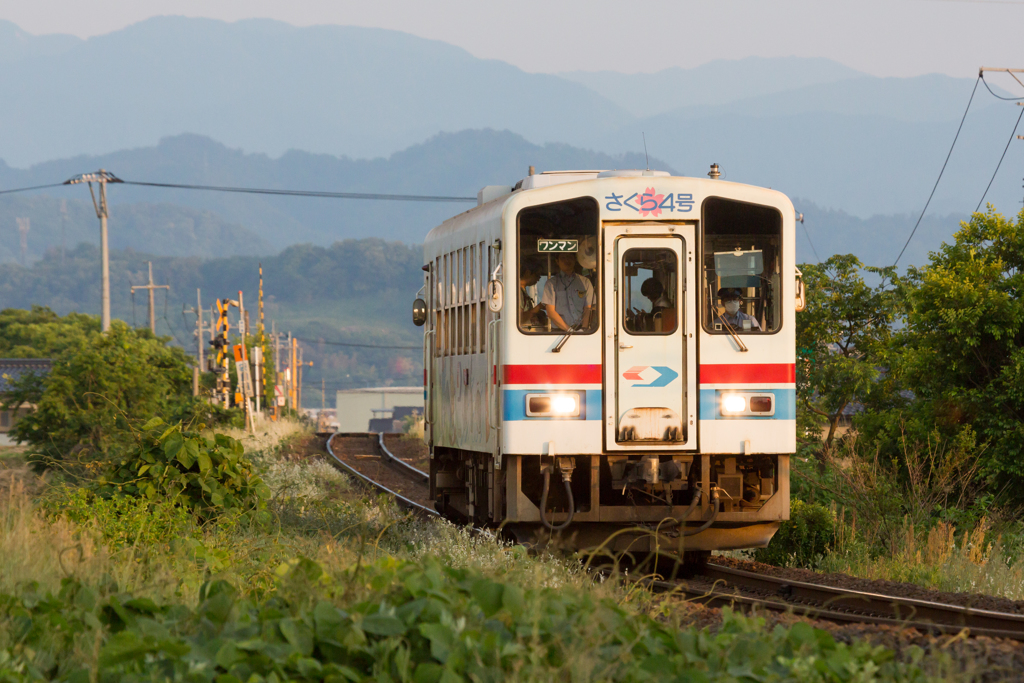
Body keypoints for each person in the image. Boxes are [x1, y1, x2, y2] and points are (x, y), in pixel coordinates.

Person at [542, 252, 594, 331]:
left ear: (575, 260)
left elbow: (588, 308)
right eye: (563, 258)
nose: (567, 260)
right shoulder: (551, 283)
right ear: (557, 261)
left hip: (582, 331)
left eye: (570, 257)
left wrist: (584, 329)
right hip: (559, 332)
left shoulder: (585, 282)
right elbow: (550, 311)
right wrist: (569, 330)